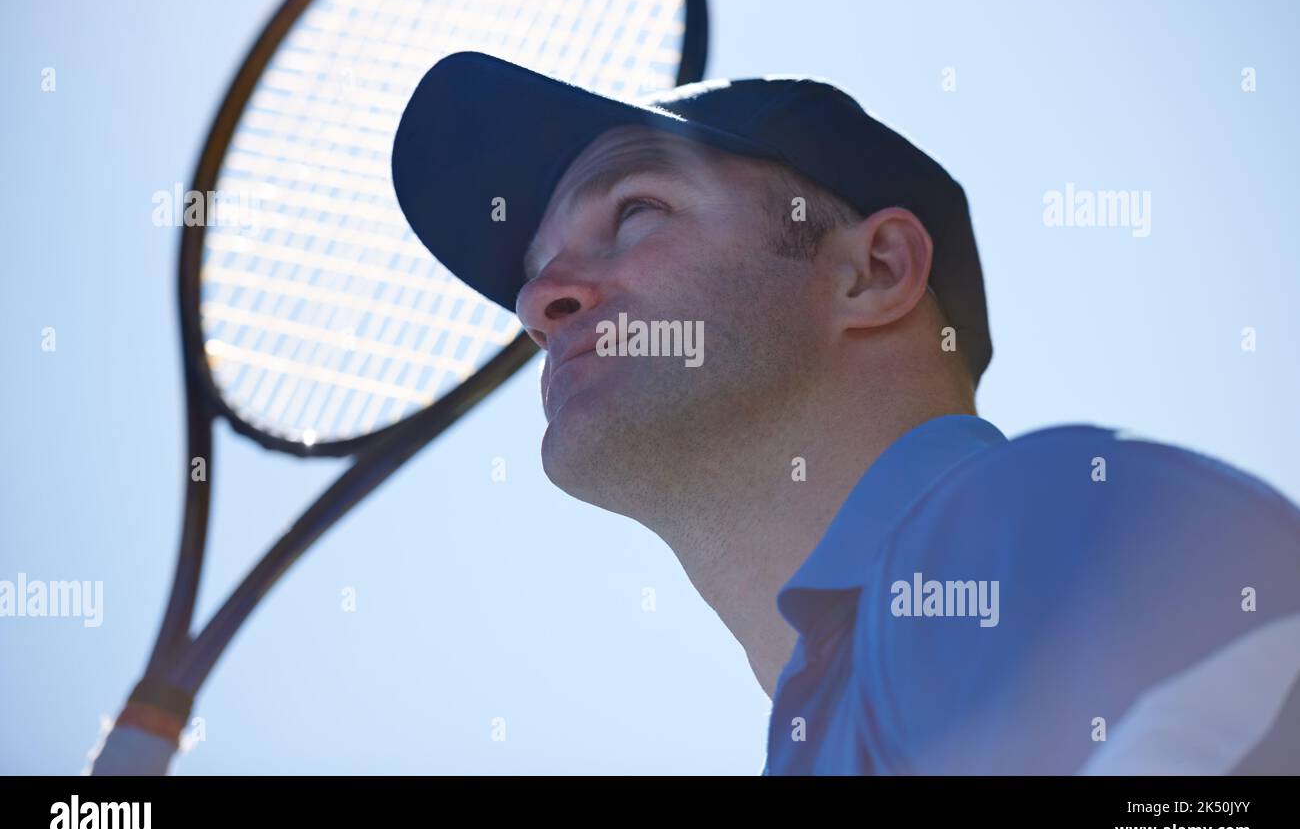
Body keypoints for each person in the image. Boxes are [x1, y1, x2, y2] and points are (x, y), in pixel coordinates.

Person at [392, 51, 1300, 774]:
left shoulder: (1038, 519)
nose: (540, 298)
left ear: (873, 273)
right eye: (535, 269)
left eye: (635, 211)